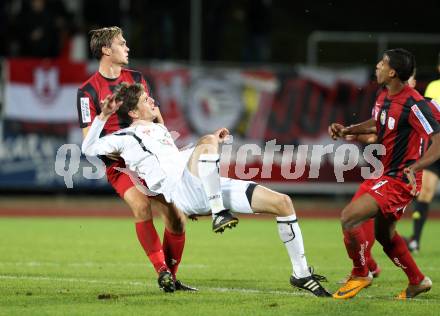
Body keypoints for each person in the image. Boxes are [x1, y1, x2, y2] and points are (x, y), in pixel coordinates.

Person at [81, 82, 332, 297]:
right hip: (183, 189)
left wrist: (208, 144)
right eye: (147, 100)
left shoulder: (158, 129)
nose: (153, 100)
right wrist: (103, 117)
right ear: (134, 112)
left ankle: (300, 274)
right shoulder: (124, 137)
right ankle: (218, 212)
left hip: (205, 185)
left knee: (283, 203)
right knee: (206, 141)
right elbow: (87, 149)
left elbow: (175, 159)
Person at [76, 26, 199, 293]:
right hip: (120, 164)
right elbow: (90, 140)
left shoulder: (137, 78)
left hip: (151, 159)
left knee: (177, 219)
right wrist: (127, 151)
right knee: (140, 205)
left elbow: (154, 115)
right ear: (106, 50)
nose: (127, 47)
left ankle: (171, 279)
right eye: (122, 43)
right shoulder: (87, 91)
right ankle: (162, 270)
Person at [328, 48, 440, 299]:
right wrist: (347, 131)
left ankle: (361, 273)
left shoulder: (414, 104)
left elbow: (438, 142)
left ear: (392, 72)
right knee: (384, 236)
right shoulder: (384, 94)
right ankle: (418, 281)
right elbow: (377, 121)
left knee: (349, 217)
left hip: (401, 179)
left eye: (382, 63)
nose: (377, 66)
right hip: (386, 174)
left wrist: (415, 167)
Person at [406, 56, 440, 253]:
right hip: (436, 149)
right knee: (425, 192)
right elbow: (429, 118)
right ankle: (415, 240)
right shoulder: (434, 86)